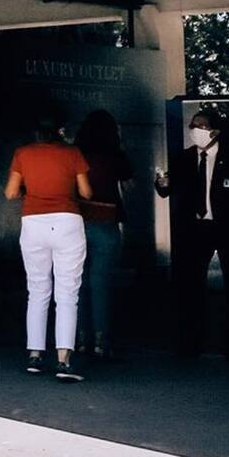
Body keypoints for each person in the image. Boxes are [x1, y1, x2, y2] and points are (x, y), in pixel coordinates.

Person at [156, 107, 229, 360]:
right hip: (195, 230)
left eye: (199, 126)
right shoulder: (183, 159)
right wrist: (162, 185)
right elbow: (167, 190)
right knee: (190, 285)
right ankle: (190, 341)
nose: (194, 131)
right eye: (192, 126)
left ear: (214, 132)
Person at [5, 105, 92, 381]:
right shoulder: (73, 153)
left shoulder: (23, 153)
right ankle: (64, 359)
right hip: (68, 222)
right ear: (61, 130)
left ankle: (34, 354)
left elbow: (10, 192)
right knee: (67, 292)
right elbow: (86, 192)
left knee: (38, 290)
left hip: (33, 223)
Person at [74, 109, 133, 358]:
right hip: (106, 221)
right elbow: (128, 179)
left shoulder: (76, 155)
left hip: (77, 222)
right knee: (101, 283)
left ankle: (78, 337)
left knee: (76, 283)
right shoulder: (115, 156)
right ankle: (100, 340)